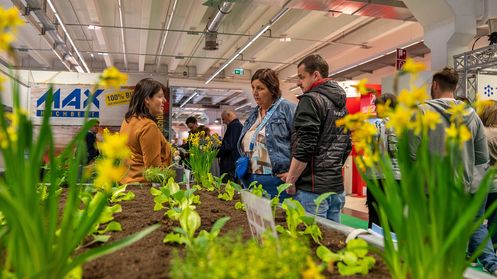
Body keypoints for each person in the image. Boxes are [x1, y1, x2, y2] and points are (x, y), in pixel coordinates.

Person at [408, 67, 497, 275]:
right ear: (455, 88)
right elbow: (481, 157)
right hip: (462, 189)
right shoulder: (472, 115)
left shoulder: (421, 112)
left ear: (435, 85)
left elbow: (409, 153)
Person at [283, 54, 351, 223]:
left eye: (301, 77)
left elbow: (306, 145)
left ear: (315, 75)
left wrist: (291, 179)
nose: (299, 82)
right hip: (336, 189)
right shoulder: (341, 104)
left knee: (312, 244)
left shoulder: (310, 100)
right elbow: (346, 146)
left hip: (313, 192)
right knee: (333, 244)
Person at [238, 68, 296, 200]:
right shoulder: (254, 113)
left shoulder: (288, 109)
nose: (255, 92)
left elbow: (299, 144)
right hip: (250, 178)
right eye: (253, 88)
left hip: (275, 180)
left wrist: (292, 174)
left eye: (260, 88)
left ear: (272, 89)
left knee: (278, 218)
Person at [120, 78, 172, 184]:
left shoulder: (128, 121)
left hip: (127, 183)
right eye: (160, 96)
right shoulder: (148, 126)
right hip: (144, 187)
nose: (164, 101)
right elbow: (154, 171)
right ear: (147, 99)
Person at [366, 94, 401, 229]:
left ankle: (374, 248)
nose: (375, 109)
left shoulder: (376, 125)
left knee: (375, 218)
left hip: (378, 177)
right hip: (399, 178)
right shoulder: (404, 125)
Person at [478, 100, 497, 245]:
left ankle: (476, 254)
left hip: (481, 184)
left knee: (476, 223)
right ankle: (492, 255)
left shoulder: (480, 133)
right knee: (494, 224)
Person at [217, 109, 243, 182]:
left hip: (230, 165)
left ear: (229, 115)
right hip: (234, 163)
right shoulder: (238, 126)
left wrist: (216, 152)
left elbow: (229, 146)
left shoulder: (234, 126)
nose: (224, 122)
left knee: (228, 188)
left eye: (224, 119)